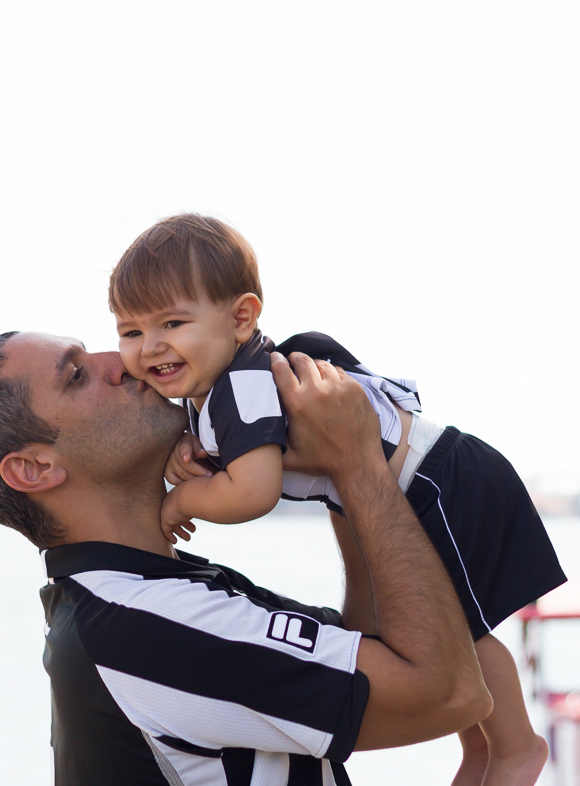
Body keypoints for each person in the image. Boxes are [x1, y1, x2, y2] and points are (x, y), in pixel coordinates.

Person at [108, 213, 565, 786]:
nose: (150, 347)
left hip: (439, 480)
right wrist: (189, 450)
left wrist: (183, 502)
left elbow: (253, 492)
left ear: (242, 317)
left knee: (463, 629)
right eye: (129, 331)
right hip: (418, 484)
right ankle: (481, 753)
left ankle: (518, 748)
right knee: (446, 626)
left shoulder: (240, 386)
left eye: (172, 322)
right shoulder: (221, 387)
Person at [0, 330, 492, 786]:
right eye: (77, 375)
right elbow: (448, 693)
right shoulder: (143, 629)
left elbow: (372, 654)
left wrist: (334, 474)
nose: (124, 359)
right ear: (34, 468)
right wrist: (360, 462)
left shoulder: (130, 604)